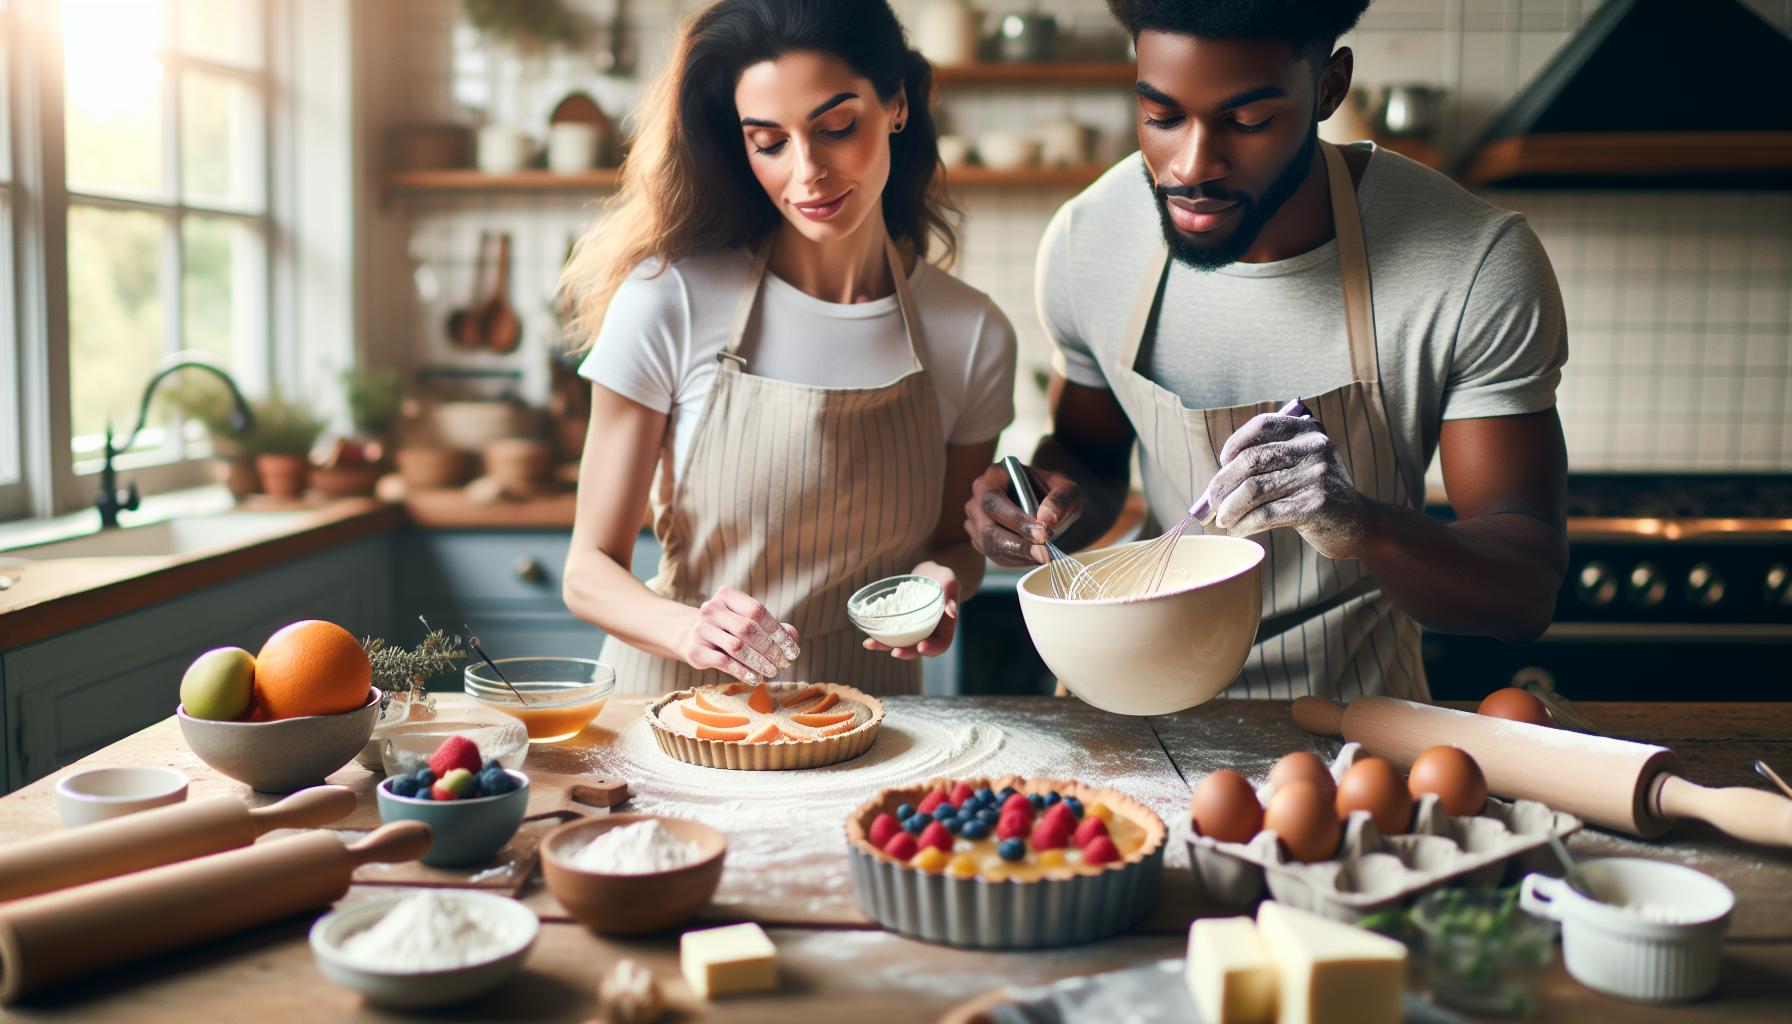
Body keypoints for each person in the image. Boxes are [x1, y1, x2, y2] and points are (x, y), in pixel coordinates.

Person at [967, 0, 1569, 700]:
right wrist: (1038, 505)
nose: (1191, 166)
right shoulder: (1090, 239)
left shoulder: (1472, 262)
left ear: (1328, 88)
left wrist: (1362, 525)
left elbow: (1525, 593)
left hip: (1355, 721)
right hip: (1136, 713)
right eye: (1161, 115)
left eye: (1247, 121)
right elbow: (1090, 461)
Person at [559, 0, 1017, 695]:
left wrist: (943, 577)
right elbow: (587, 571)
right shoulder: (670, 301)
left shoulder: (972, 333)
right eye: (769, 142)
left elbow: (953, 542)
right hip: (680, 706)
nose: (808, 171)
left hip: (869, 716)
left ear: (896, 104)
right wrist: (689, 630)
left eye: (836, 128)